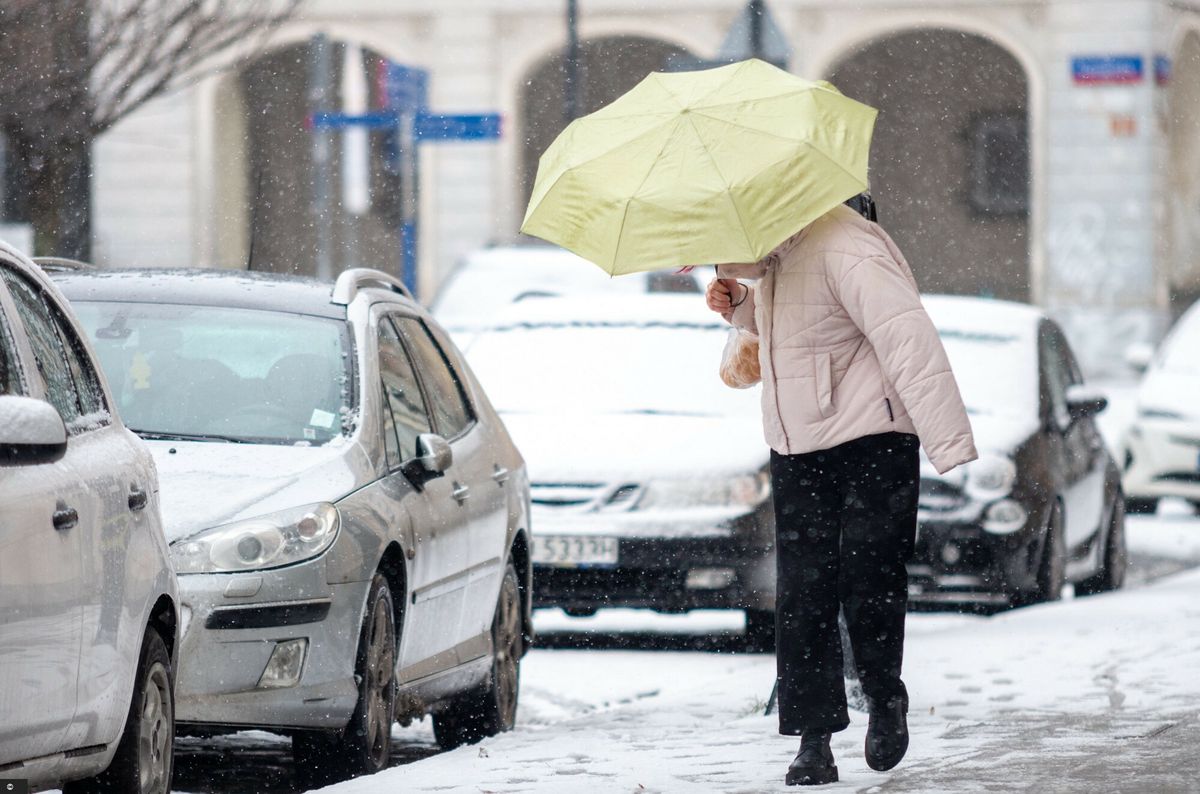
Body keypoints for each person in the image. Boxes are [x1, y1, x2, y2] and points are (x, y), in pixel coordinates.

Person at [706, 202, 976, 786]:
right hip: (798, 446)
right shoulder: (778, 255)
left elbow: (908, 338)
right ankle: (813, 739)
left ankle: (883, 697)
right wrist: (745, 309)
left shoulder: (851, 246)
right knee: (804, 590)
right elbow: (801, 337)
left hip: (872, 440)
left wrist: (947, 439)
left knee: (869, 575)